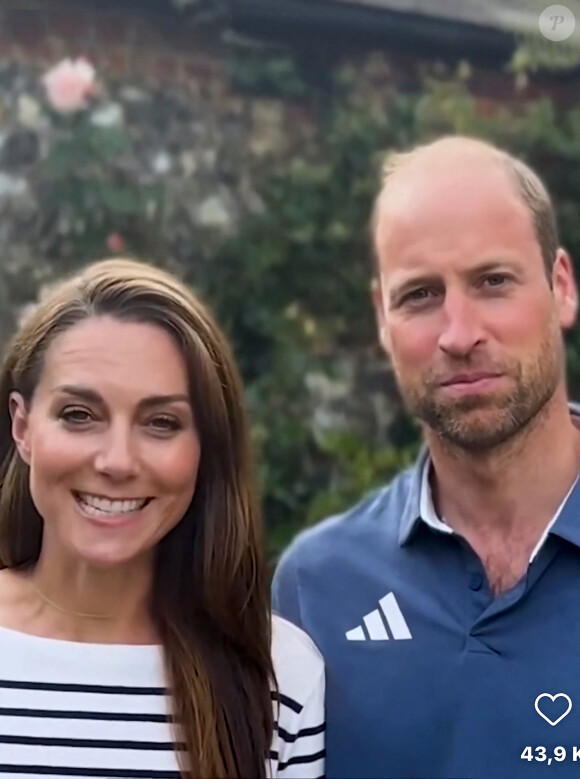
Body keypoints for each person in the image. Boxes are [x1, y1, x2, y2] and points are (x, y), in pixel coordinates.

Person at [272, 135, 580, 779]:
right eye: (420, 295)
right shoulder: (317, 588)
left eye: (493, 282)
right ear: (382, 319)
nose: (459, 333)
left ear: (562, 287)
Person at [0, 258, 325, 779]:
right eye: (79, 415)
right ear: (22, 426)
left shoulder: (279, 676)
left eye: (161, 423)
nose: (117, 461)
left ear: (206, 448)